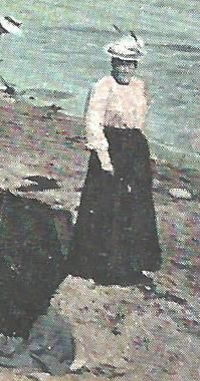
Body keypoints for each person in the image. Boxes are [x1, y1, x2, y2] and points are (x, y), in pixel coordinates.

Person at [66, 33, 160, 286]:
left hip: (135, 148)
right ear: (112, 63)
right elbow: (93, 122)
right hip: (111, 148)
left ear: (135, 66)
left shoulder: (140, 86)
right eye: (120, 62)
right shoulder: (102, 86)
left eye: (130, 64)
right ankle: (103, 267)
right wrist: (104, 157)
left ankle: (133, 262)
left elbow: (141, 119)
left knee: (137, 203)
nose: (125, 68)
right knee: (109, 204)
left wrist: (142, 152)